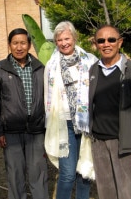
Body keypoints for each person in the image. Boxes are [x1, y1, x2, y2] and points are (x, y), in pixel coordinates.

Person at [89, 25, 131, 199]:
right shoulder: (93, 70)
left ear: (120, 42)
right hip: (98, 143)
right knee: (106, 193)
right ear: (96, 44)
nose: (106, 44)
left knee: (129, 193)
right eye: (101, 40)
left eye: (111, 39)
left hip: (124, 143)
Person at [0, 28, 49, 199]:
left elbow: (48, 101)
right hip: (11, 132)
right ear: (9, 45)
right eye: (15, 43)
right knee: (15, 176)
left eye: (23, 43)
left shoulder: (40, 69)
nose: (19, 47)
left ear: (29, 45)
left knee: (39, 174)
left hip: (37, 131)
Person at [44, 21, 98, 199]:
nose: (63, 43)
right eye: (59, 40)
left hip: (87, 124)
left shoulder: (90, 61)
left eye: (67, 38)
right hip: (63, 123)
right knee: (67, 175)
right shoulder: (51, 66)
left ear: (74, 38)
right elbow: (47, 98)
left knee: (84, 172)